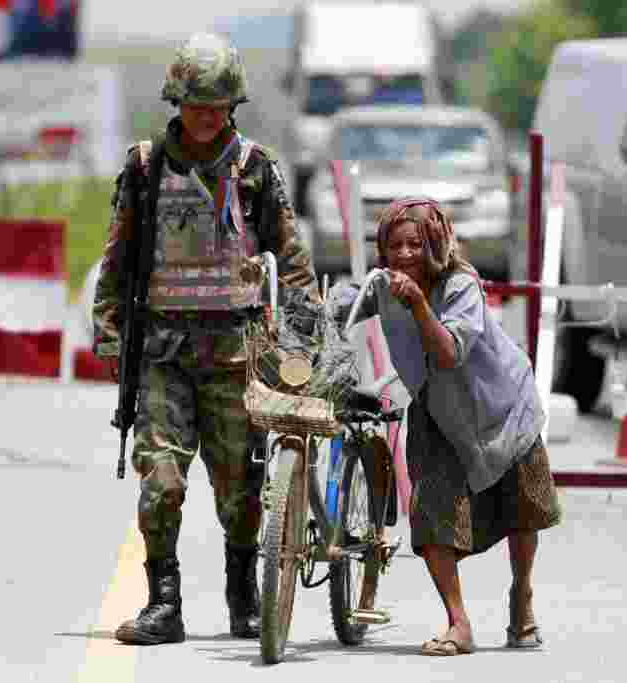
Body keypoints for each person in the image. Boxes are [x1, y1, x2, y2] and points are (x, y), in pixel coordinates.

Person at [92, 32, 320, 645]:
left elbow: (292, 263)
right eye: (196, 104)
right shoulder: (145, 170)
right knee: (161, 482)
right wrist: (109, 330)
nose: (206, 116)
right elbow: (118, 261)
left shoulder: (255, 171)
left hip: (235, 357)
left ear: (233, 107)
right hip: (163, 356)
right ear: (176, 102)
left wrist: (299, 341)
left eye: (217, 106)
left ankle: (244, 599)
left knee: (241, 491)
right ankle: (163, 604)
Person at [336, 197, 561, 656]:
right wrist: (320, 312)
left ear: (436, 243)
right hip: (437, 411)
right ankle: (458, 623)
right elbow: (345, 305)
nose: (403, 255)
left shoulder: (462, 286)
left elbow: (448, 354)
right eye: (393, 245)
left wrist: (418, 305)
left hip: (498, 409)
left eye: (415, 244)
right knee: (432, 512)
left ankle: (522, 595)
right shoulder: (383, 287)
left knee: (522, 510)